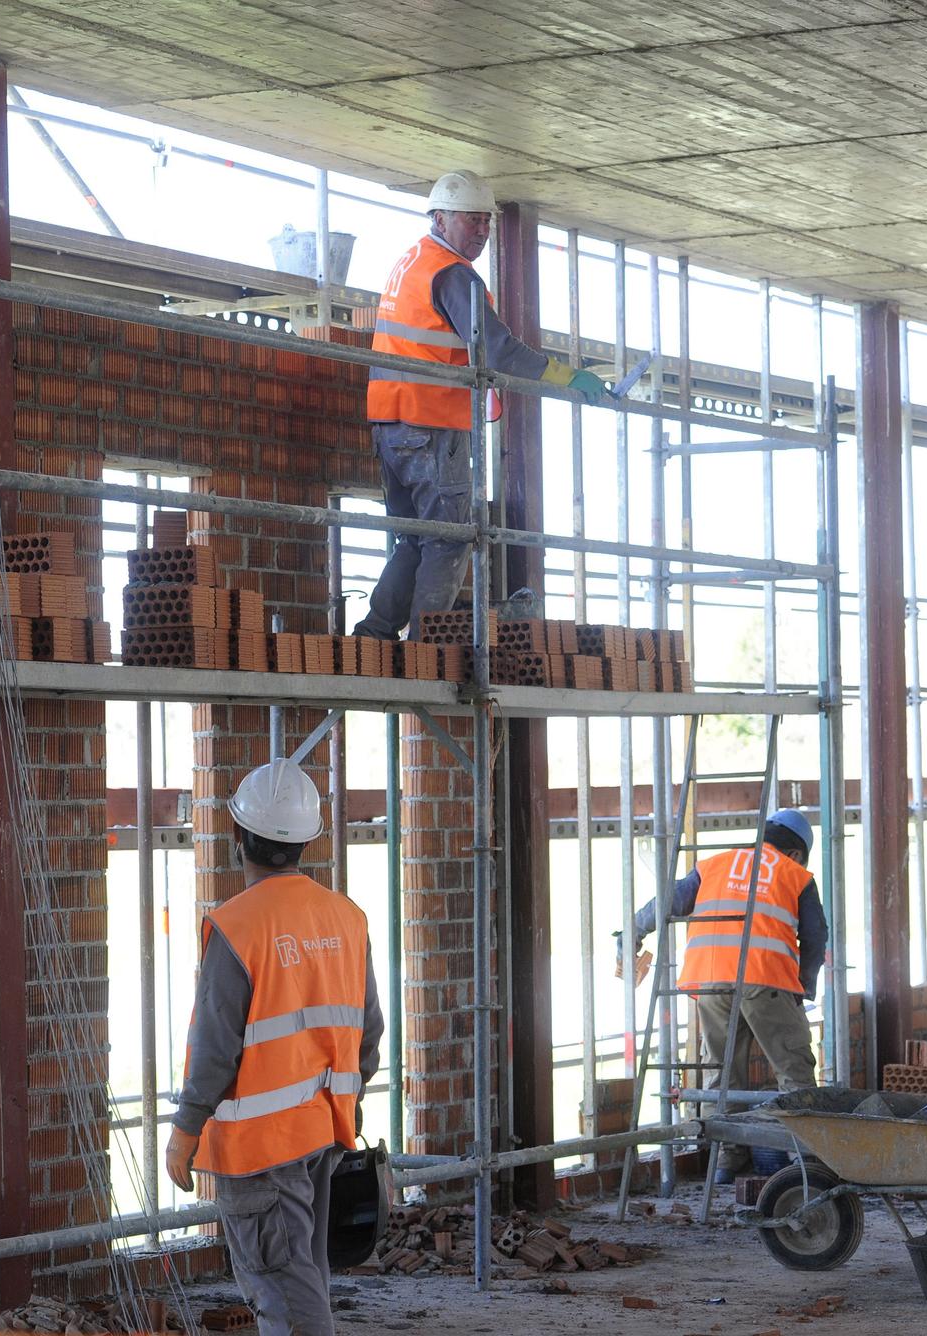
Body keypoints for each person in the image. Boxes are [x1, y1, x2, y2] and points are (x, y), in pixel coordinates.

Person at [165, 759, 383, 1336]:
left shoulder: (237, 927)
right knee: (303, 1275)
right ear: (309, 841)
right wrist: (347, 1109)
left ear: (240, 838)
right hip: (319, 1135)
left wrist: (184, 1134)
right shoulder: (346, 918)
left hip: (260, 1148)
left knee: (283, 1289)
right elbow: (368, 1032)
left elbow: (214, 1047)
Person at [355, 169, 611, 642]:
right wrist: (567, 377)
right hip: (431, 423)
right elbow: (499, 350)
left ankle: (373, 636)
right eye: (472, 220)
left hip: (391, 421)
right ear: (440, 217)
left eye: (486, 223)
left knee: (415, 537)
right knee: (451, 540)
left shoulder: (412, 261)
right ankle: (425, 648)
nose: (482, 232)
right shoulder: (452, 274)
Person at [625, 808, 828, 1177]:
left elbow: (670, 901)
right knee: (794, 1071)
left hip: (710, 982)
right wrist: (803, 986)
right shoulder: (795, 874)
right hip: (766, 979)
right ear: (796, 853)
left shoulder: (716, 864)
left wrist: (633, 930)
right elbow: (816, 937)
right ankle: (809, 1162)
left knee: (722, 1075)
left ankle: (725, 1161)